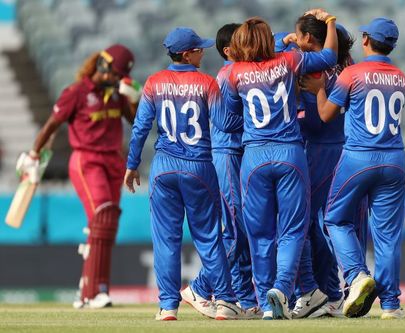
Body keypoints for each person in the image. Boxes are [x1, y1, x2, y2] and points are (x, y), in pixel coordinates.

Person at [124, 27, 244, 321]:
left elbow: (140, 128)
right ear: (187, 54)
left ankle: (167, 306)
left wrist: (132, 164)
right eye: (199, 49)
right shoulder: (206, 83)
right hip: (199, 166)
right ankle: (226, 302)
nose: (204, 52)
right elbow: (224, 123)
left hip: (163, 166)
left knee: (166, 240)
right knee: (209, 238)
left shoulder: (154, 83)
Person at [224, 10, 338, 319]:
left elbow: (226, 117)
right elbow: (328, 57)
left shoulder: (231, 73)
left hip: (254, 157)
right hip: (289, 154)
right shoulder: (289, 61)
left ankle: (265, 302)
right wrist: (330, 23)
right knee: (292, 230)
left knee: (260, 233)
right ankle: (282, 289)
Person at [16, 44, 141, 308]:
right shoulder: (76, 93)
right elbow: (51, 125)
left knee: (106, 226)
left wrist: (133, 98)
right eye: (116, 74)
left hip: (113, 162)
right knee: (102, 216)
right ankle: (93, 292)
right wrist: (34, 154)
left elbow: (135, 121)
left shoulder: (116, 94)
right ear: (103, 67)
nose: (118, 80)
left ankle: (91, 291)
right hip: (87, 161)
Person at [301, 17, 405, 319]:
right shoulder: (401, 77)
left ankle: (357, 274)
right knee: (387, 237)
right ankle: (390, 306)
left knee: (334, 220)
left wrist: (320, 88)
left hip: (359, 157)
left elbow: (324, 115)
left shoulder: (352, 73)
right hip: (395, 159)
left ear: (365, 40)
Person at [277, 16, 370, 319]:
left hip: (319, 154)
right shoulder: (352, 72)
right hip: (351, 153)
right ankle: (337, 291)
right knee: (340, 224)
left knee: (303, 225)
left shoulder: (313, 72)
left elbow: (316, 122)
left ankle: (314, 292)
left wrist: (287, 41)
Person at [182, 23, 261, 320]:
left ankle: (243, 297)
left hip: (237, 154)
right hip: (227, 154)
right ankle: (200, 288)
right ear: (230, 50)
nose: (250, 44)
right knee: (235, 229)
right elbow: (227, 123)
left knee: (242, 231)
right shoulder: (227, 75)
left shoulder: (240, 74)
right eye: (244, 41)